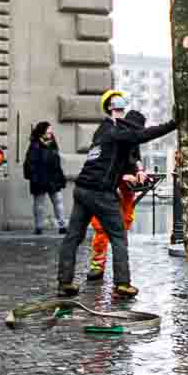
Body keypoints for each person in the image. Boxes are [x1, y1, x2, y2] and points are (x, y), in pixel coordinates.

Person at [57, 92, 175, 301]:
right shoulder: (117, 133)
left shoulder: (103, 131)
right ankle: (122, 285)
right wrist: (173, 124)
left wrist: (136, 168)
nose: (121, 108)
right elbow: (142, 135)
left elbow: (124, 153)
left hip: (81, 189)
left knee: (73, 236)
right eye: (118, 105)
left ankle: (64, 283)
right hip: (100, 191)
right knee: (119, 236)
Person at [84, 91, 146, 279]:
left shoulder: (132, 138)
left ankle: (120, 272)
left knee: (122, 228)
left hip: (125, 191)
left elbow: (135, 158)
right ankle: (98, 265)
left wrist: (140, 171)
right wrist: (123, 177)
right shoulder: (110, 134)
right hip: (107, 188)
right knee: (102, 228)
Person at [26, 121, 68, 234]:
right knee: (39, 205)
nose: (50, 132)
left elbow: (57, 161)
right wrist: (33, 178)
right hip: (40, 178)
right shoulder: (35, 145)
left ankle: (62, 225)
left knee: (58, 202)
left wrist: (61, 176)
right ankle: (39, 227)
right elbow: (30, 163)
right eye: (48, 130)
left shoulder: (53, 143)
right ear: (42, 132)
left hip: (53, 178)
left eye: (50, 130)